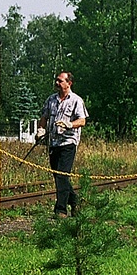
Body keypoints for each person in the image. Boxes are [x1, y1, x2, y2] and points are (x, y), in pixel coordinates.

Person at [36, 72, 88, 217]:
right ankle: (75, 201)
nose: (57, 83)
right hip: (53, 143)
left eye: (60, 81)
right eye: (57, 81)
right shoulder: (51, 100)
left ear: (69, 83)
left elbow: (82, 121)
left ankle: (60, 210)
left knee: (62, 175)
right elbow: (44, 117)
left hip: (68, 143)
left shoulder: (76, 100)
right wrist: (41, 130)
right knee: (58, 176)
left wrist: (69, 124)